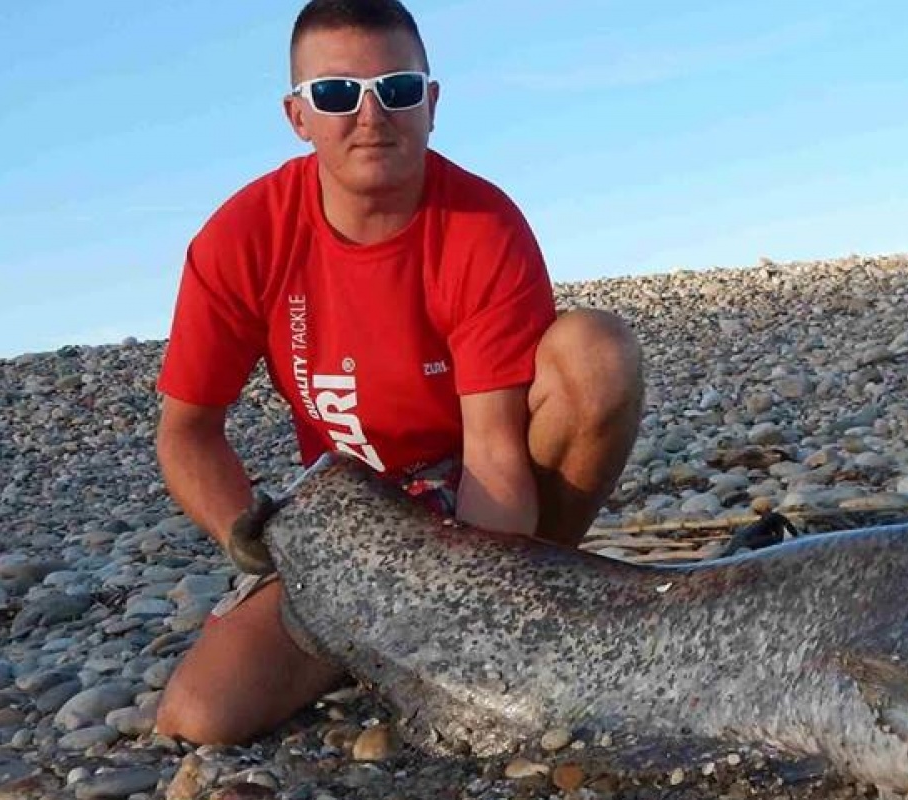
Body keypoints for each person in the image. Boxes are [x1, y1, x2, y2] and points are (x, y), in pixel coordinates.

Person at [151, 0, 644, 745]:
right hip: (348, 521)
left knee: (595, 355)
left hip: (471, 486)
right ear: (297, 117)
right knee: (202, 718)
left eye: (399, 88)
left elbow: (495, 458)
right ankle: (373, 639)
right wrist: (255, 540)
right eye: (338, 94)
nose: (371, 114)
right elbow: (187, 434)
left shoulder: (483, 226)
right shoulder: (242, 236)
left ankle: (536, 597)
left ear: (432, 104)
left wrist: (474, 617)